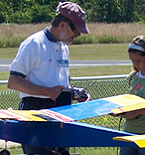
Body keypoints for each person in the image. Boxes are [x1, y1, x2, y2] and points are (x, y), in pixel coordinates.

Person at [7, 1, 90, 155]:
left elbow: (58, 83)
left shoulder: (64, 47)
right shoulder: (34, 43)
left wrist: (74, 92)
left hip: (61, 112)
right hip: (35, 112)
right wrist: (48, 92)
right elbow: (13, 81)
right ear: (63, 25)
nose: (78, 35)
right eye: (76, 30)